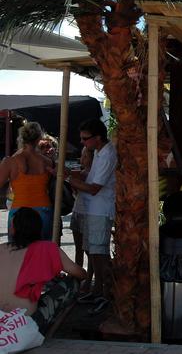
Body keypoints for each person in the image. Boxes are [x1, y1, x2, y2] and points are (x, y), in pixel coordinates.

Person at [0, 207, 86, 335]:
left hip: (2, 319)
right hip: (26, 323)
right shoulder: (47, 248)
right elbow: (80, 273)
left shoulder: (1, 248)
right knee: (72, 282)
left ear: (13, 229)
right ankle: (49, 332)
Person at [66, 119, 117, 315]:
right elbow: (90, 175)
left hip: (100, 209)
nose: (82, 142)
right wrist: (74, 174)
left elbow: (95, 187)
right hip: (92, 209)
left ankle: (106, 292)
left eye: (85, 139)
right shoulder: (98, 152)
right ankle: (98, 290)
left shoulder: (107, 154)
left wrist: (70, 179)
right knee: (92, 251)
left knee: (100, 252)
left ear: (98, 137)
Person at [0, 122, 53, 241]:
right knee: (41, 251)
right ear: (39, 138)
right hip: (43, 209)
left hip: (19, 209)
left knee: (17, 252)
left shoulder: (11, 161)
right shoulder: (47, 162)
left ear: (21, 138)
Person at [70, 146, 95, 291]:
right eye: (82, 156)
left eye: (85, 156)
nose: (82, 159)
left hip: (87, 213)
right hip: (77, 211)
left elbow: (91, 190)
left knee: (88, 249)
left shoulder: (93, 174)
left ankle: (89, 276)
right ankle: (77, 275)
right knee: (78, 248)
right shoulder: (81, 173)